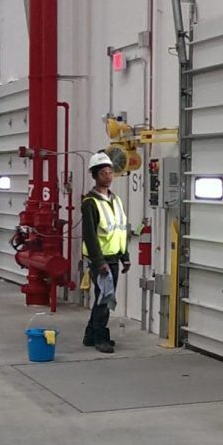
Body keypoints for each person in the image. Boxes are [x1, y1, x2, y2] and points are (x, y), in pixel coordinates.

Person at [81, 152, 130, 354]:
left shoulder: (115, 200)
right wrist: (98, 261)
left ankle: (90, 334)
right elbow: (90, 236)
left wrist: (125, 256)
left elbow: (122, 228)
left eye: (110, 172)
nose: (108, 176)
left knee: (104, 297)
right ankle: (101, 337)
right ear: (95, 176)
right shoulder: (90, 203)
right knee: (105, 298)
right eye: (103, 173)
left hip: (114, 257)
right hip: (100, 261)